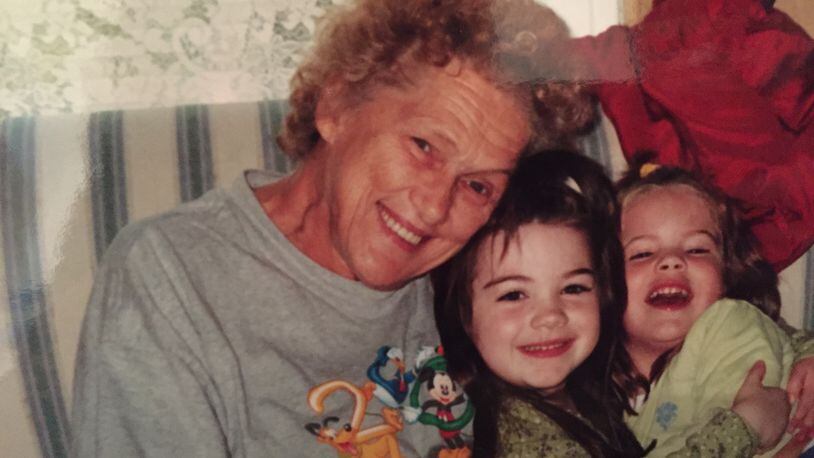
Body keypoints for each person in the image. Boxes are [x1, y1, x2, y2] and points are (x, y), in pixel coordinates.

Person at [70, 0, 596, 456]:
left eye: (478, 186)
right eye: (423, 147)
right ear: (337, 104)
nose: (435, 208)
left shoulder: (479, 265)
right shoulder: (173, 275)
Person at [432, 150, 789, 457]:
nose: (550, 316)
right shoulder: (523, 436)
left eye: (573, 288)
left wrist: (804, 355)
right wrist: (746, 426)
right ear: (464, 313)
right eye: (513, 294)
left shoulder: (585, 389)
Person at [614, 158, 810, 456]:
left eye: (696, 249)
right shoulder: (588, 380)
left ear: (727, 273)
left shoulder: (730, 325)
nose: (671, 260)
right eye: (642, 253)